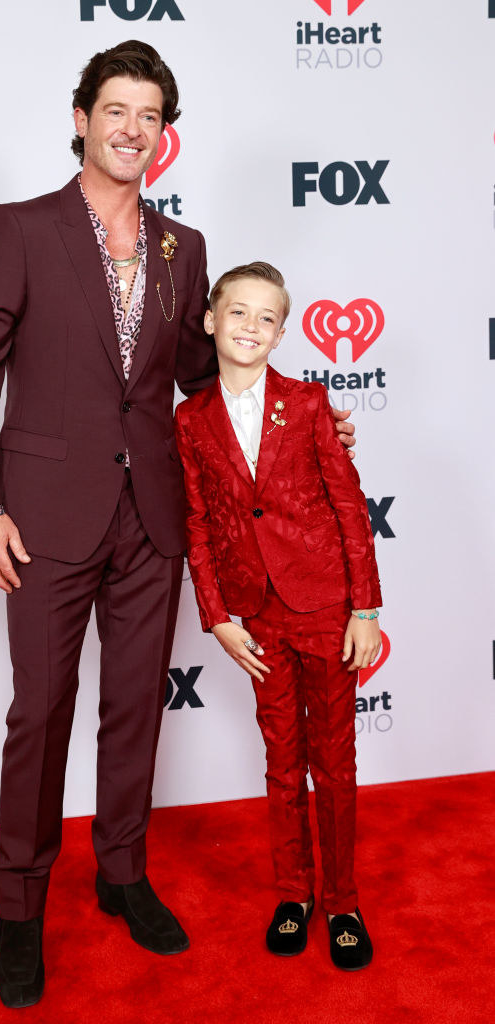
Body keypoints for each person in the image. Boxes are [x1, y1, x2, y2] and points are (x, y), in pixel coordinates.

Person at [0, 43, 356, 1008]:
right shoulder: (20, 228)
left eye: (150, 115)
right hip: (42, 515)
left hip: (154, 518)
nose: (132, 129)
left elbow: (204, 380)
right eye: (116, 110)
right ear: (82, 116)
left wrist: (299, 411)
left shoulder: (185, 248)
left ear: (165, 134)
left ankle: (121, 874)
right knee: (40, 713)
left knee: (134, 707)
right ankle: (20, 906)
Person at [174, 261, 381, 971]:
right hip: (254, 617)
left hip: (323, 607)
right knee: (281, 763)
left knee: (335, 762)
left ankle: (342, 901)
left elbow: (350, 507)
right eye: (238, 313)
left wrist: (364, 607)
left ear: (282, 332)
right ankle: (293, 894)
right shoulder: (189, 418)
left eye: (267, 318)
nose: (251, 328)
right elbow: (197, 524)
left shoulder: (311, 402)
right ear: (209, 320)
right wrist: (216, 615)